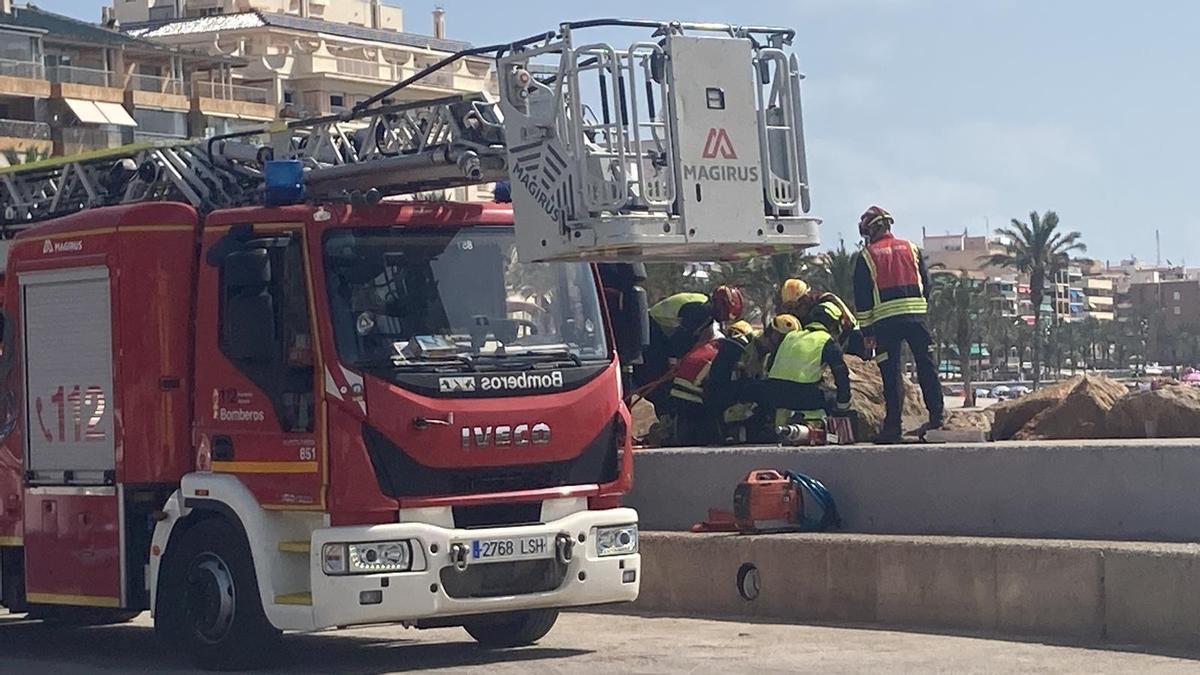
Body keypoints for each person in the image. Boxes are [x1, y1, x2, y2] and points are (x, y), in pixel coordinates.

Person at [852, 205, 944, 443]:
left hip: (885, 324)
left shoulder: (867, 255)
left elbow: (862, 297)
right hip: (916, 319)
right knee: (927, 367)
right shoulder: (911, 247)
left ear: (871, 230)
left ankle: (893, 428)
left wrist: (867, 332)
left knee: (890, 375)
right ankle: (937, 417)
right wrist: (921, 309)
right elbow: (927, 282)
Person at [634, 286, 745, 404]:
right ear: (721, 304)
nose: (724, 319)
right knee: (659, 381)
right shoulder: (700, 310)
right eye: (726, 314)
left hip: (661, 331)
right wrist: (674, 363)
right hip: (655, 329)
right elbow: (680, 339)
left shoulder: (706, 309)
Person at [760, 303, 853, 428]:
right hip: (803, 396)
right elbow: (841, 375)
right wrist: (843, 405)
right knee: (832, 397)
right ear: (833, 324)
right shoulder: (826, 341)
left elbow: (772, 365)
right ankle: (816, 424)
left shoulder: (791, 336)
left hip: (774, 394)